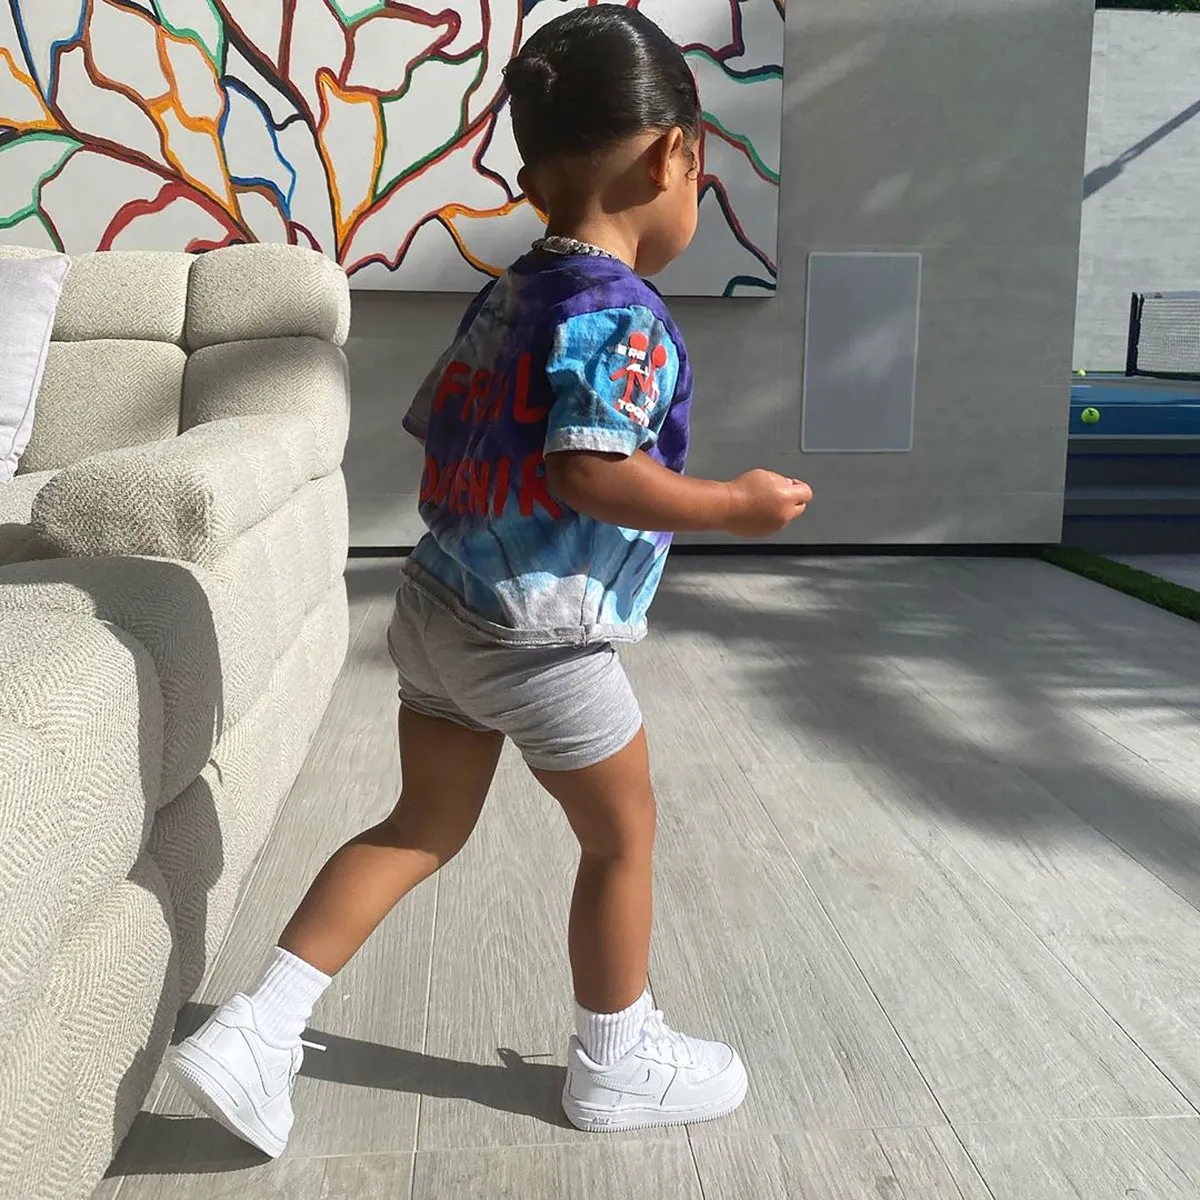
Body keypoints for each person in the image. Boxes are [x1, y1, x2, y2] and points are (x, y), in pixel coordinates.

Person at [168, 4, 812, 1155]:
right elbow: (587, 469)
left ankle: (259, 1027)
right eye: (699, 170)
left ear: (528, 178)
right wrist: (733, 505)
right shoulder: (624, 317)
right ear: (675, 155)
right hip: (540, 636)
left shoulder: (511, 294)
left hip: (437, 607)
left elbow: (453, 431)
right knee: (622, 836)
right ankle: (616, 1059)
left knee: (421, 823)